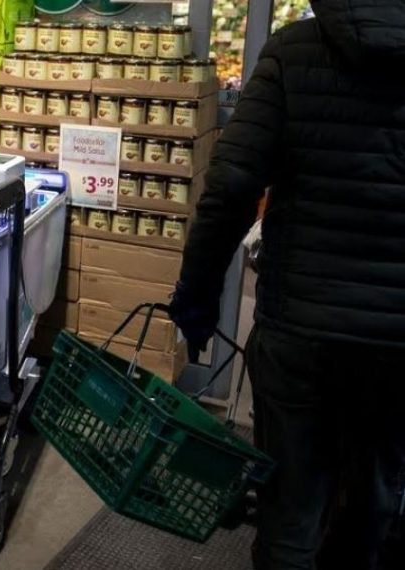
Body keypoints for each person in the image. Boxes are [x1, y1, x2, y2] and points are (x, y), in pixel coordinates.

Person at [168, 1, 405, 569]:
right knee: (378, 495)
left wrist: (197, 294)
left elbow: (230, 188)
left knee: (292, 505)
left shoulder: (294, 51)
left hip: (301, 327)